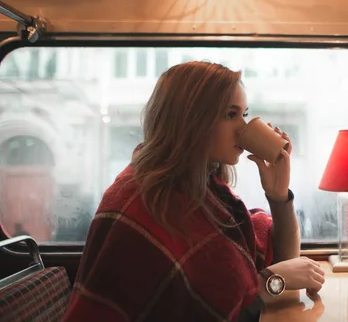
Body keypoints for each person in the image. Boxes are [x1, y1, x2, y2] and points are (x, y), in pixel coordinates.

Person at [62, 61, 325, 322]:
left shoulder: (205, 190)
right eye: (230, 114)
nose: (243, 128)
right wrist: (273, 281)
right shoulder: (139, 200)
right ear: (192, 121)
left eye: (244, 114)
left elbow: (284, 259)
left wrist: (279, 196)